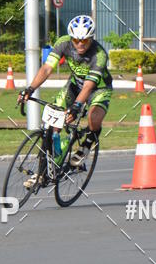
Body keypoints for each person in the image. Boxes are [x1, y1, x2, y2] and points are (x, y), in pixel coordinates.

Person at [18, 15, 112, 185]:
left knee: (93, 117)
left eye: (85, 40)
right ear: (71, 38)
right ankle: (43, 171)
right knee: (50, 125)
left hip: (98, 89)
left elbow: (89, 86)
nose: (80, 44)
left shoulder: (99, 55)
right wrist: (30, 89)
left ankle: (87, 143)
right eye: (76, 40)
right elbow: (47, 68)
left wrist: (76, 107)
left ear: (91, 38)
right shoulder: (63, 43)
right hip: (74, 85)